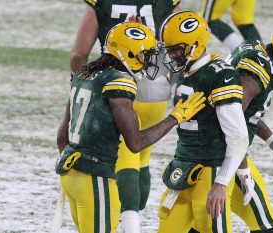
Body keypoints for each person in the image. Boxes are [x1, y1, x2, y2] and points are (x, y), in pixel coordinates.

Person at [55, 22, 206, 233]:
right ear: (128, 53)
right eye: (144, 55)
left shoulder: (84, 74)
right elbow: (136, 143)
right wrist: (175, 117)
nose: (147, 62)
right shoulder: (119, 81)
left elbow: (62, 135)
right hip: (95, 177)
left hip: (70, 174)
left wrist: (75, 170)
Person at [189, 20, 273, 233]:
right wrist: (241, 169)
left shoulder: (255, 49)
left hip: (225, 152)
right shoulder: (256, 71)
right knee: (215, 226)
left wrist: (272, 139)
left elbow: (245, 112)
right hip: (219, 156)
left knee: (255, 226)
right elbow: (231, 122)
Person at [69, 1, 181, 232]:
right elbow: (180, 38)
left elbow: (79, 53)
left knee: (125, 159)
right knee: (142, 160)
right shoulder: (166, 3)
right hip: (156, 89)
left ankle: (130, 225)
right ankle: (133, 219)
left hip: (116, 84)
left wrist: (85, 81)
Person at [157, 11, 250, 232]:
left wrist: (221, 183)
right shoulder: (184, 70)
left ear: (196, 44)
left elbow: (239, 137)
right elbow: (151, 92)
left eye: (176, 49)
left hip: (210, 172)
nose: (171, 54)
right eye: (169, 49)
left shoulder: (220, 75)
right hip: (182, 167)